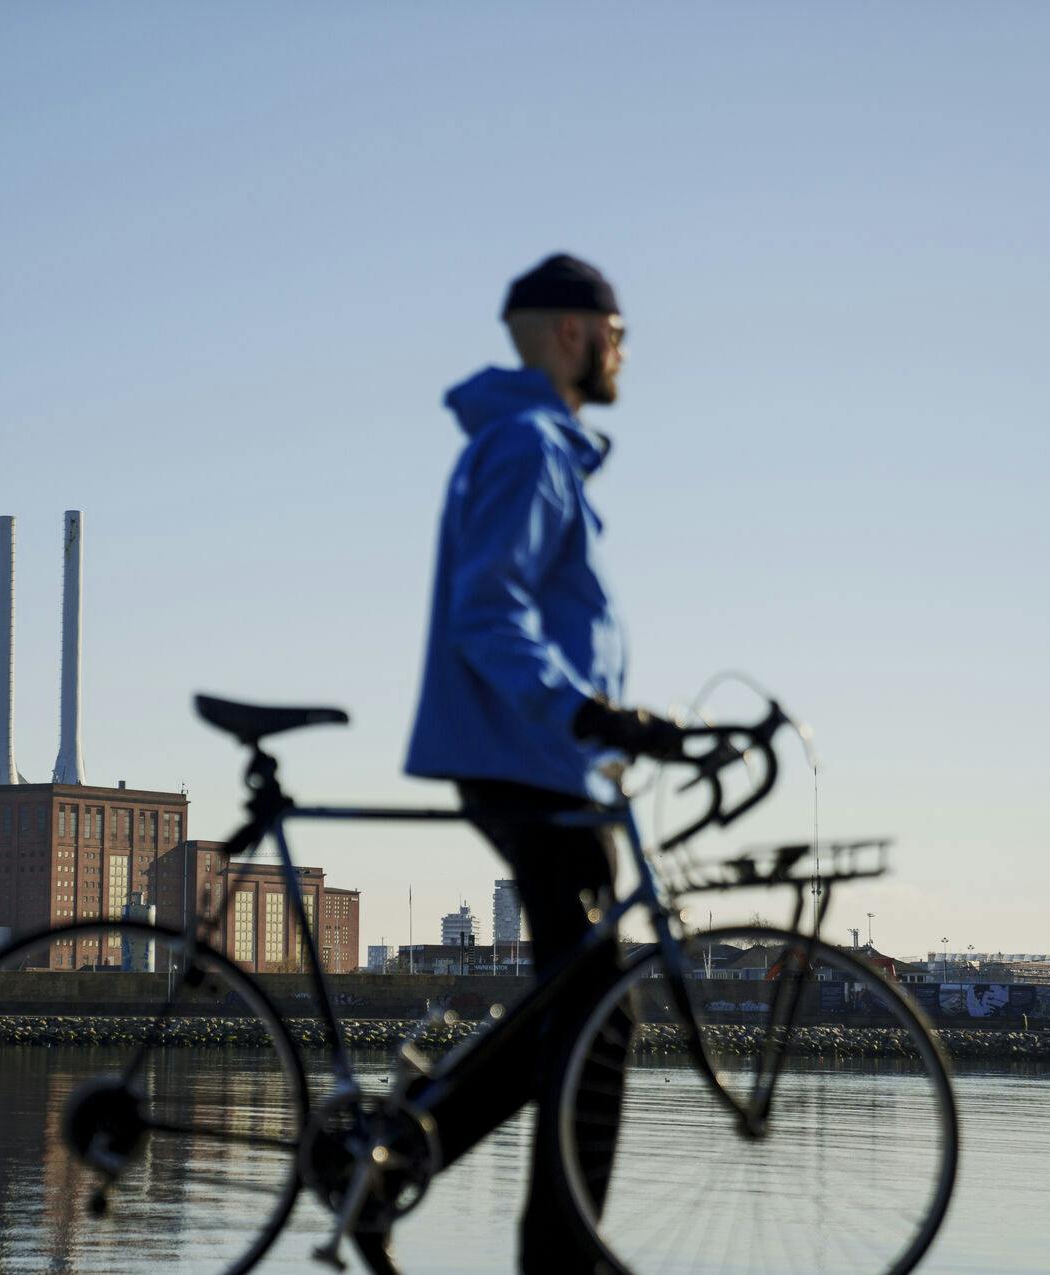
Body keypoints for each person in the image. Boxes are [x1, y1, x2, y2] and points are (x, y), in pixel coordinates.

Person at [404, 254, 688, 1274]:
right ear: (575, 331)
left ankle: (403, 1154)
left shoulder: (538, 446)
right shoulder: (528, 446)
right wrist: (585, 711)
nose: (623, 352)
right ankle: (559, 1254)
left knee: (573, 1009)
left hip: (545, 762)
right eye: (619, 332)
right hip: (525, 756)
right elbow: (491, 611)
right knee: (601, 1011)